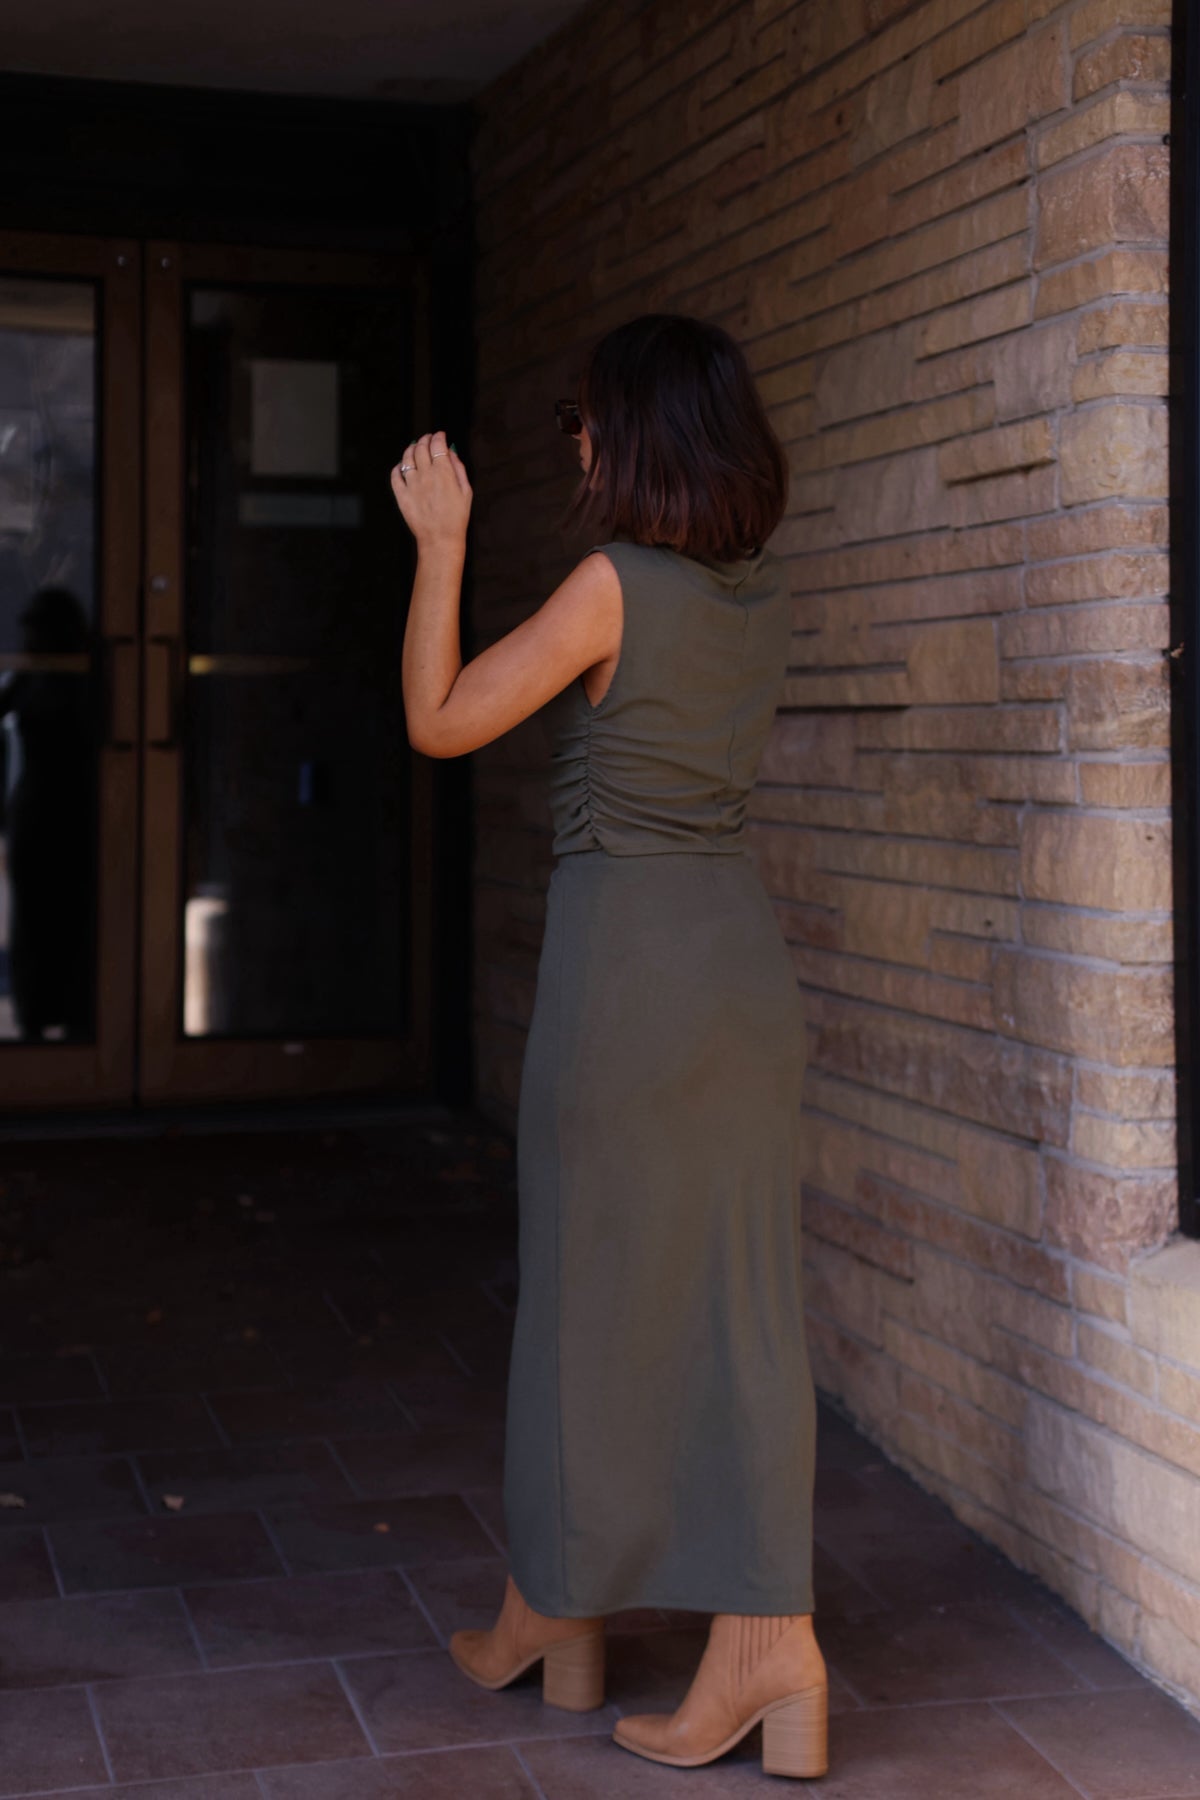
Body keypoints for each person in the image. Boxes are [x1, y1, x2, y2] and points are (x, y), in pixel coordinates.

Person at [389, 312, 827, 1781]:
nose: (576, 444)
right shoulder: (760, 591)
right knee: (741, 1308)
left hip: (627, 983)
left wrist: (441, 545)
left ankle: (617, 1614)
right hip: (739, 977)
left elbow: (440, 720)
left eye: (586, 420)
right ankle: (659, 1621)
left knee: (587, 1296)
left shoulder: (611, 588)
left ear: (635, 434)